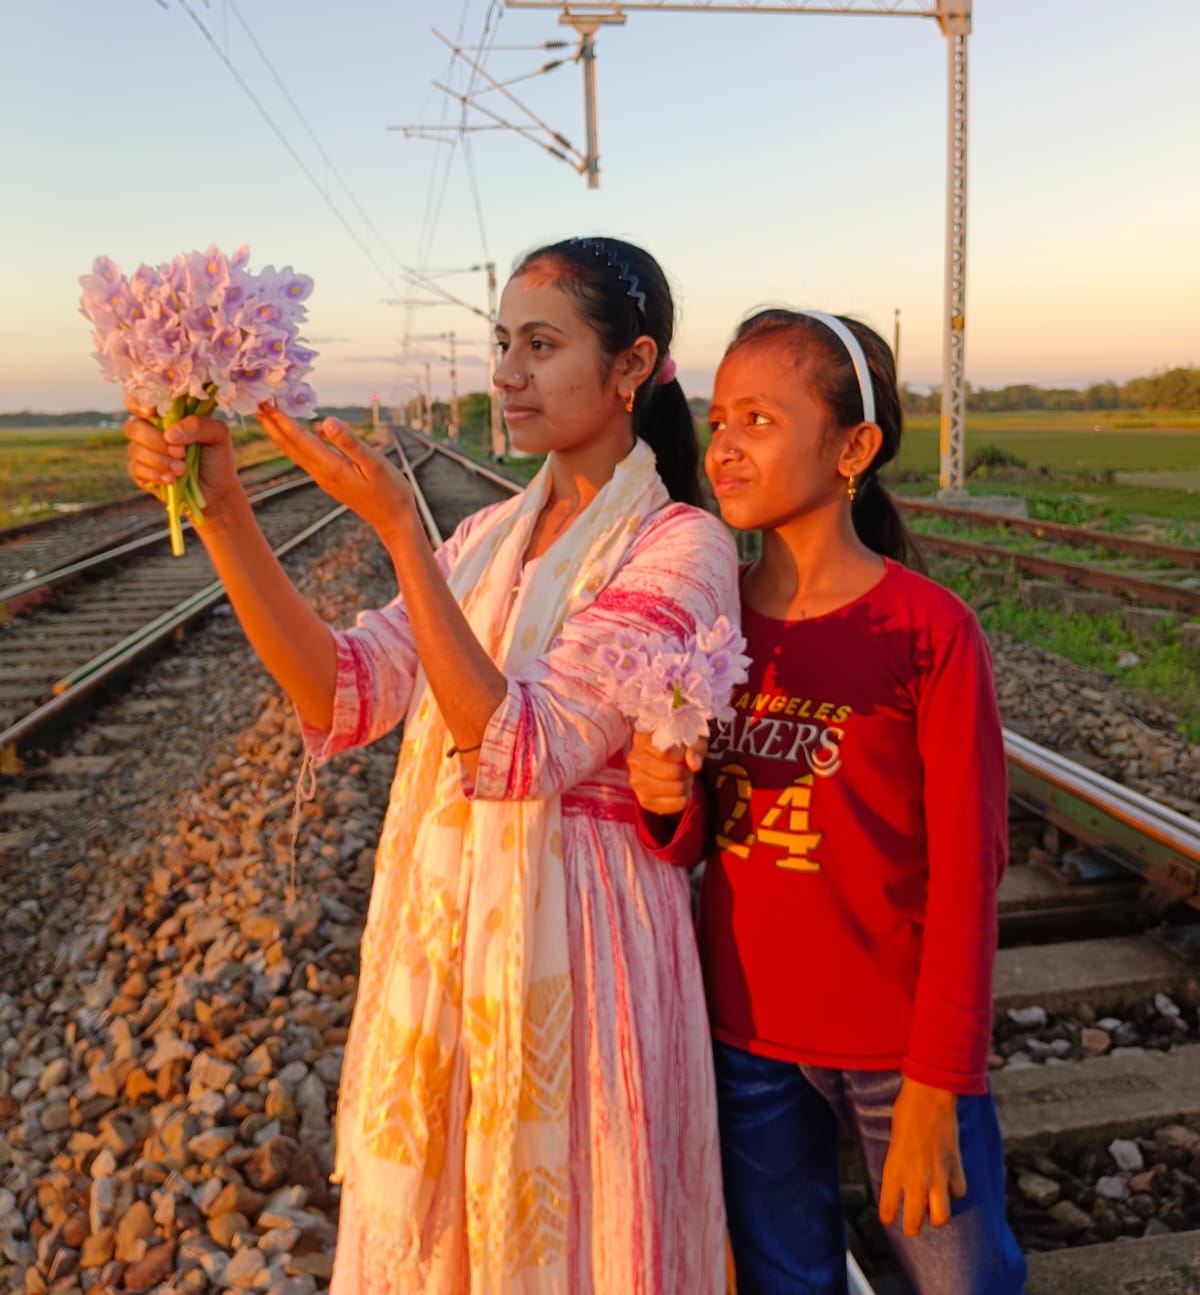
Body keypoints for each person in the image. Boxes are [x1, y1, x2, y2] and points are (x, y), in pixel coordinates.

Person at [123, 237, 739, 1295]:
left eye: (541, 346)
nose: (506, 372)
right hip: (447, 947)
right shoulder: (489, 539)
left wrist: (404, 534)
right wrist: (221, 508)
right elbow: (342, 691)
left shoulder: (681, 549)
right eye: (503, 343)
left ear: (633, 366)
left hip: (585, 967)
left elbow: (522, 748)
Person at [628, 308, 1026, 1295]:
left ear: (853, 447)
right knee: (785, 1280)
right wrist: (663, 800)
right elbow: (699, 840)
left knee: (963, 1279)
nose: (724, 447)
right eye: (718, 420)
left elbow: (972, 872)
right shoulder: (709, 622)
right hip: (748, 1037)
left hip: (900, 1051)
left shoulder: (927, 631)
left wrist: (942, 1081)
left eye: (759, 420)